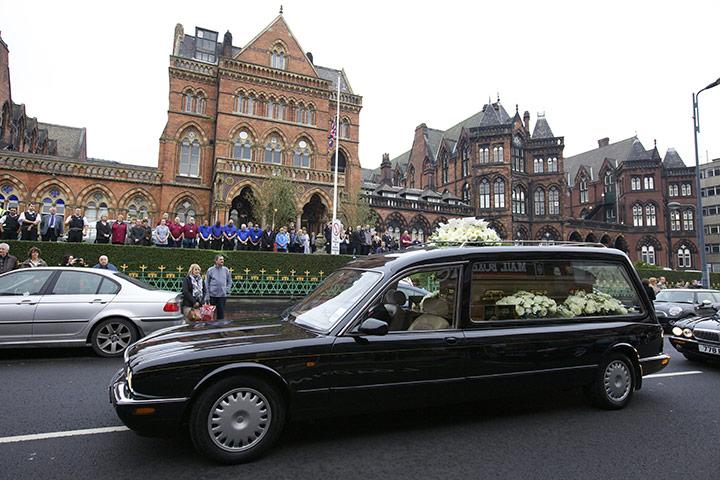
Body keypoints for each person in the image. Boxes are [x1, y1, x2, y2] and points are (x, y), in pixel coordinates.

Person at [204, 254, 232, 320]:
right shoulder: (210, 270)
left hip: (222, 295)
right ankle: (211, 328)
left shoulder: (226, 270)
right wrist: (207, 295)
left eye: (223, 259)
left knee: (221, 314)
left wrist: (226, 289)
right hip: (212, 295)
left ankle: (220, 328)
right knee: (210, 314)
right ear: (216, 261)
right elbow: (206, 283)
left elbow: (230, 281)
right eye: (220, 259)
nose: (222, 261)